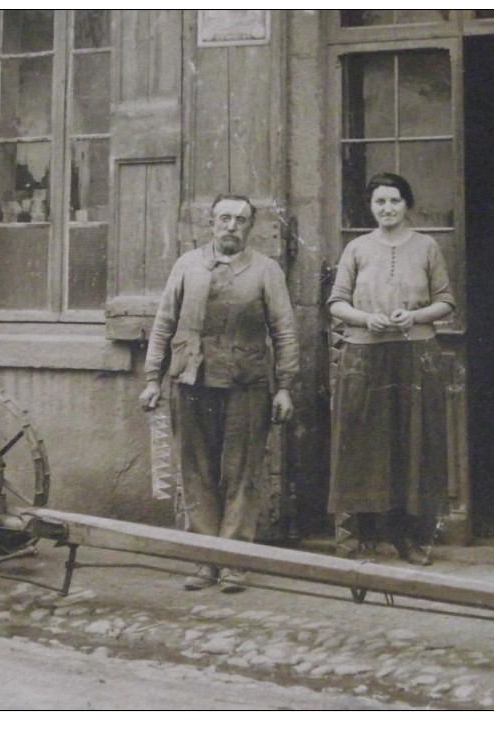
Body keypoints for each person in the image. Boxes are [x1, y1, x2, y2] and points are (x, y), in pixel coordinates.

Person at [139, 194, 299, 593]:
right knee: (196, 473)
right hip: (191, 383)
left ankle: (233, 562)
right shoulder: (187, 265)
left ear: (250, 227)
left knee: (242, 474)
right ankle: (204, 560)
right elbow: (163, 324)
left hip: (247, 386)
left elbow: (284, 331)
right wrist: (151, 379)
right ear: (211, 223)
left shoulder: (266, 270)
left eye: (240, 220)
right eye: (224, 218)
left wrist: (285, 388)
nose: (232, 226)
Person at [327, 172, 456, 564]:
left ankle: (411, 538)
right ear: (371, 206)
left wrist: (414, 316)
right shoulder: (357, 248)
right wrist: (366, 319)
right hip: (364, 357)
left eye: (395, 201)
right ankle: (362, 537)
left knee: (413, 444)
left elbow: (447, 302)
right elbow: (336, 303)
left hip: (415, 356)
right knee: (364, 443)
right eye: (380, 202)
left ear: (407, 205)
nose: (387, 209)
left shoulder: (427, 247)